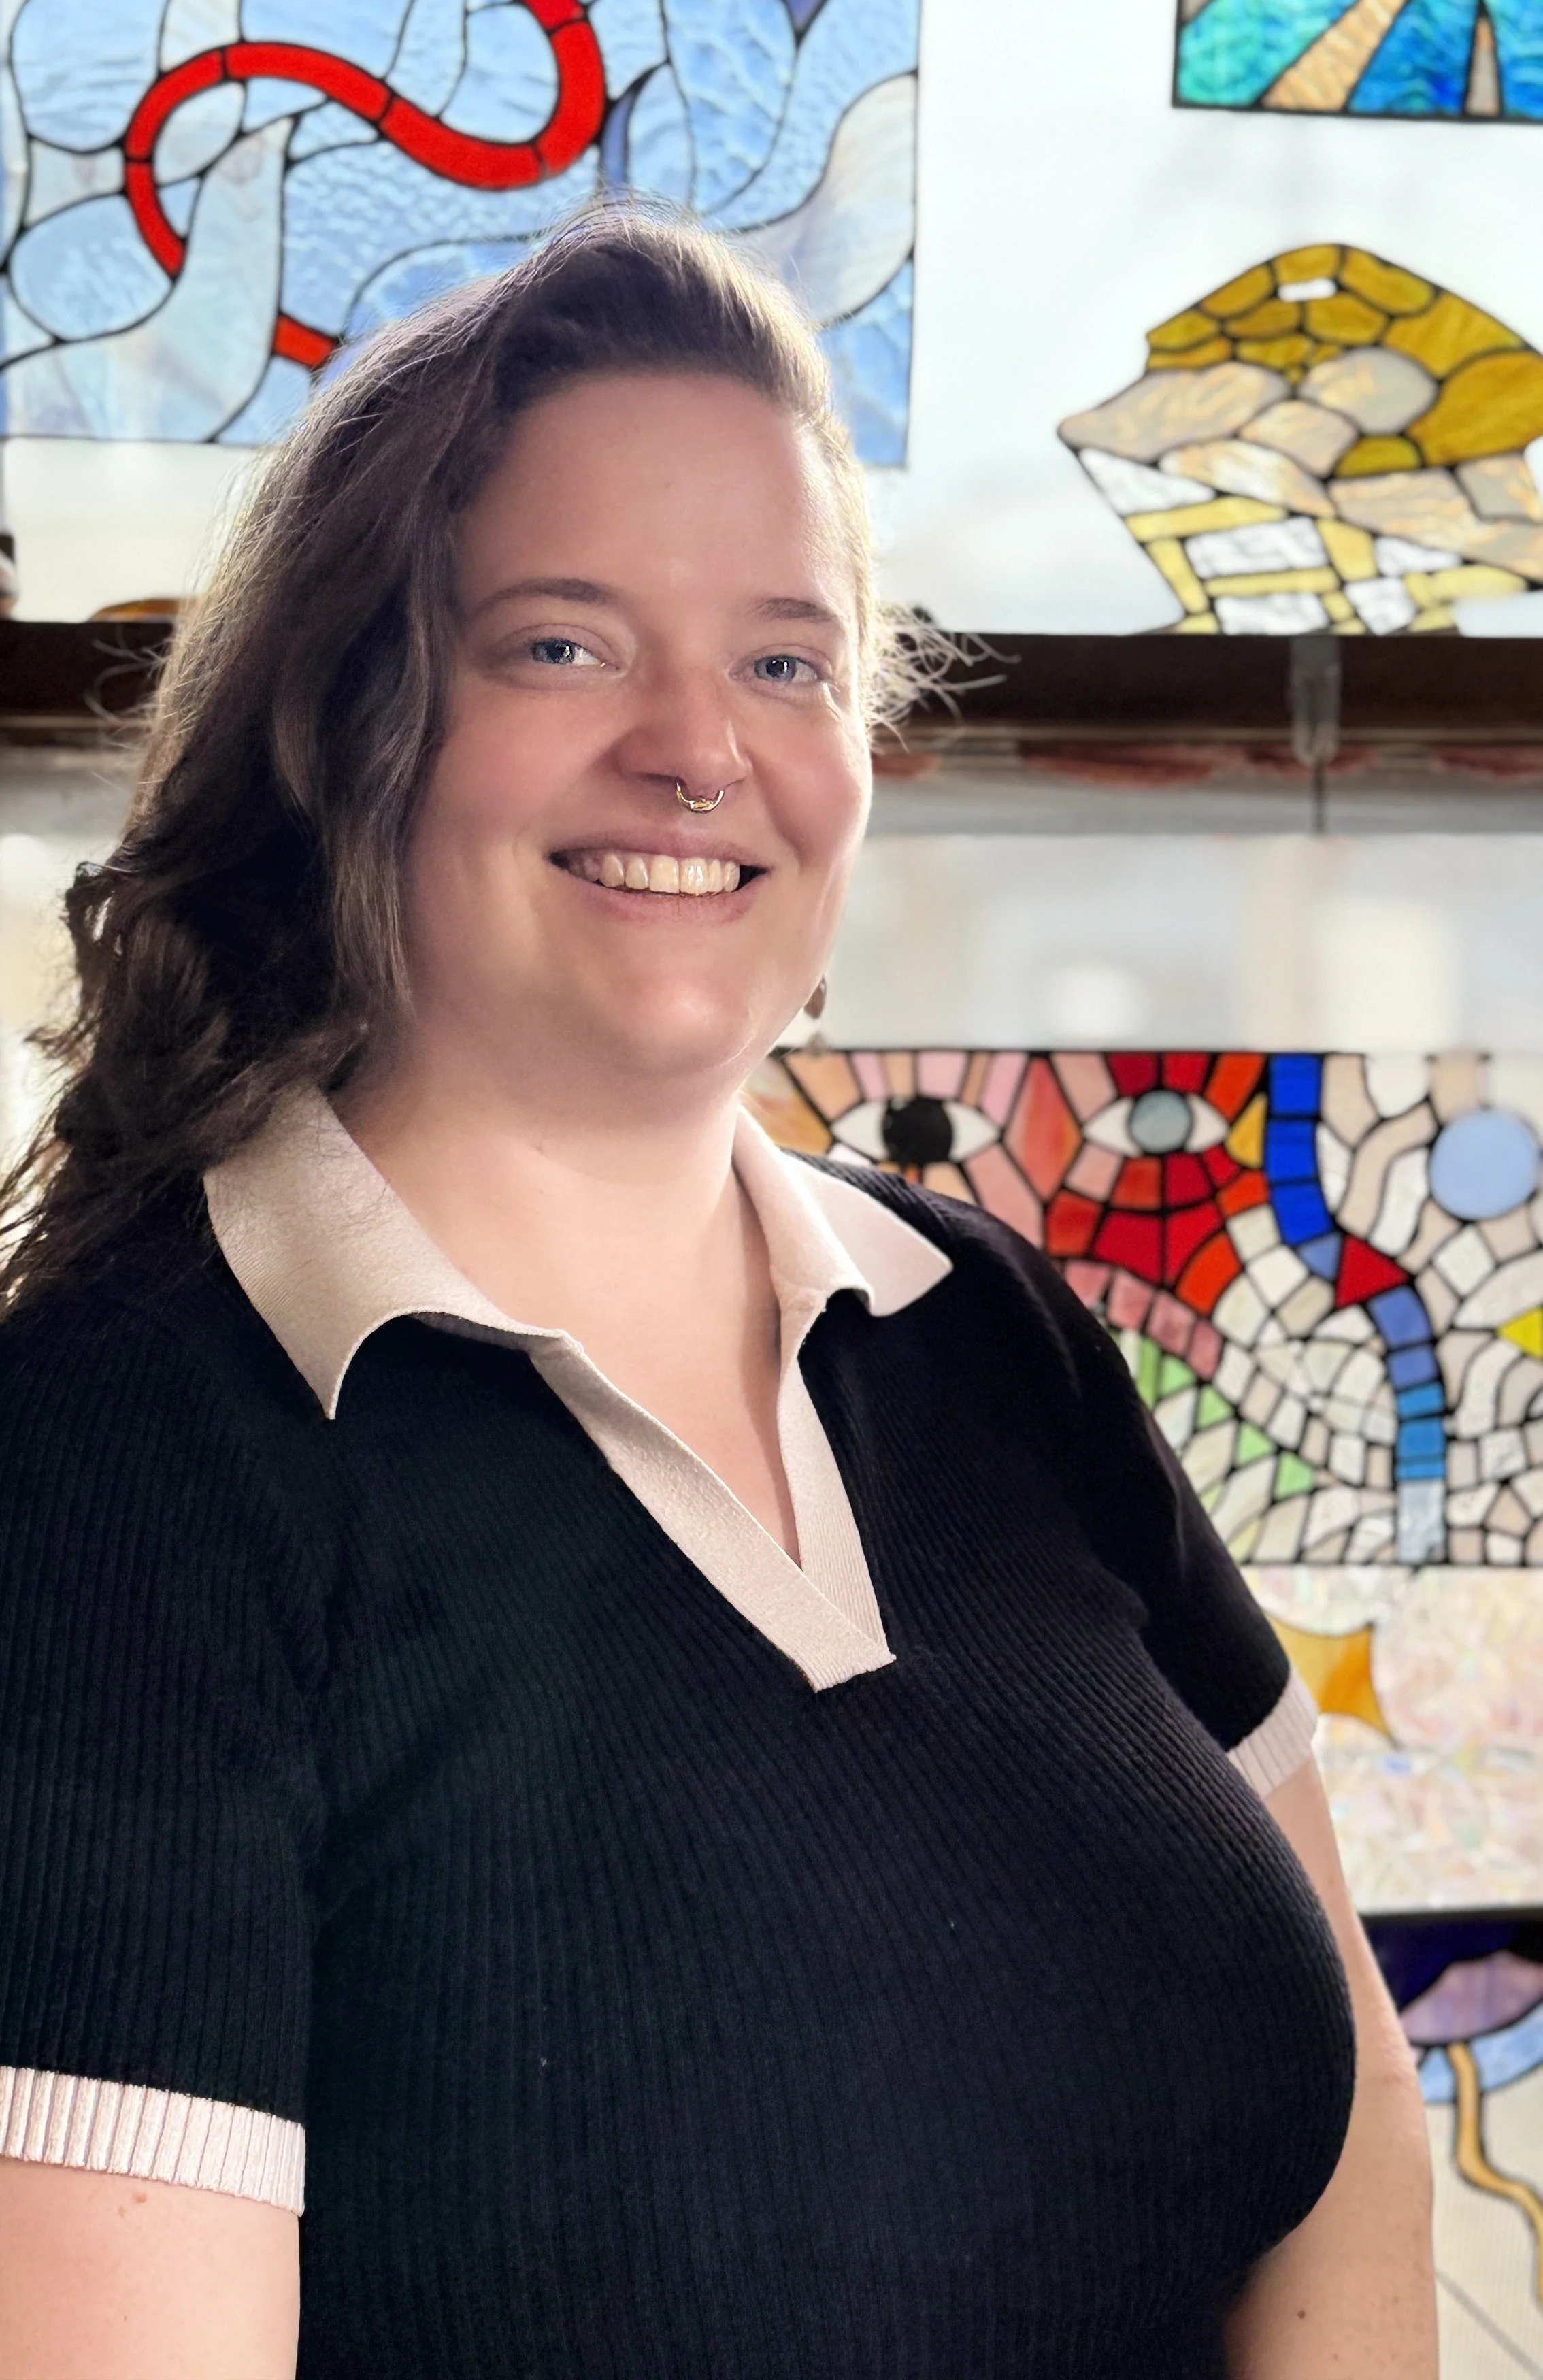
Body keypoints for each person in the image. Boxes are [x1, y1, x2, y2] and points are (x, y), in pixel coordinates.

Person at [0, 213, 1433, 2379]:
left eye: (783, 662)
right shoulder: (121, 1464)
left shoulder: (985, 1332)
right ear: (356, 722)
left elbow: (1348, 2150)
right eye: (564, 645)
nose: (696, 751)